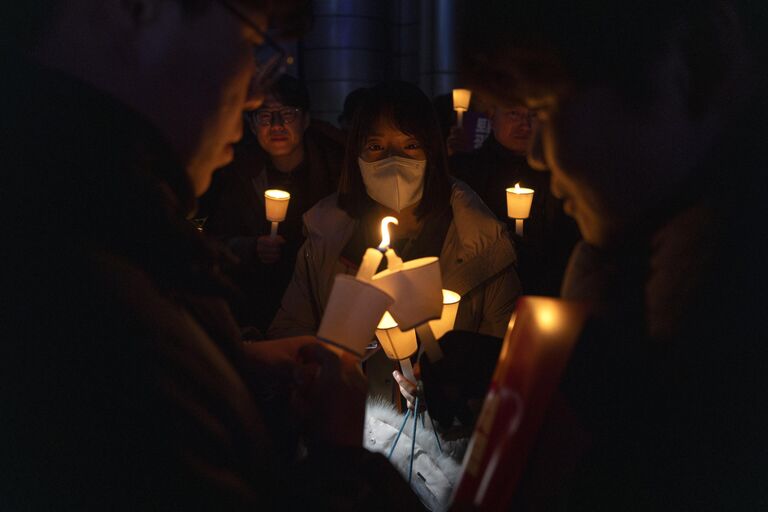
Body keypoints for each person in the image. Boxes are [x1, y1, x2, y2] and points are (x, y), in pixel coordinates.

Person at [0, 2, 422, 509]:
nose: (253, 97)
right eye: (249, 44)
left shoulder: (94, 220)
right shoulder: (67, 285)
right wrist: (338, 456)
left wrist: (225, 363)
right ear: (143, 12)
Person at [449, 0, 768, 508]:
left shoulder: (727, 307)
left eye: (545, 107)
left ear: (687, 62)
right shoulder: (643, 259)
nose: (535, 154)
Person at [268, 80, 520, 401]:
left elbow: (507, 362)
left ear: (433, 151)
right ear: (356, 154)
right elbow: (289, 331)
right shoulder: (325, 239)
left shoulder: (481, 245)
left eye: (410, 146)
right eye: (376, 147)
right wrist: (329, 364)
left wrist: (454, 382)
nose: (393, 160)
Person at [201, 74, 344, 334]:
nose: (276, 125)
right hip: (260, 311)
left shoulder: (336, 170)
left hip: (326, 306)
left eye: (287, 114)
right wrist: (252, 248)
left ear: (306, 120)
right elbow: (215, 240)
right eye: (265, 116)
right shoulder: (236, 173)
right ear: (253, 125)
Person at [450, 99, 580, 296]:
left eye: (533, 115)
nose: (525, 125)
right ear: (492, 115)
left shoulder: (561, 175)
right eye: (514, 114)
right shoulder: (464, 171)